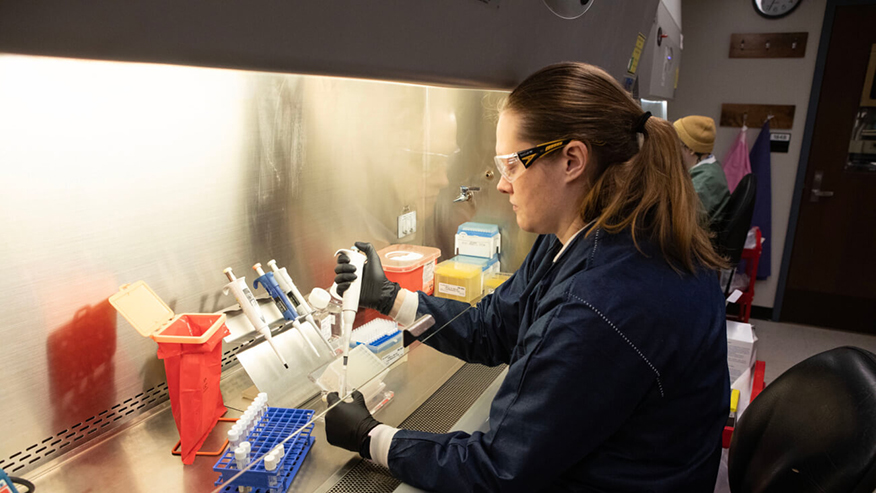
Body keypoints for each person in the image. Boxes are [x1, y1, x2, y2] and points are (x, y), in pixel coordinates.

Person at [325, 62, 730, 492]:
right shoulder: (587, 233)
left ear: (572, 159)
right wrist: (391, 298)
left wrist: (371, 437)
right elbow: (494, 329)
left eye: (511, 165)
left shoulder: (603, 301)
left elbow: (495, 470)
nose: (501, 185)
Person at [673, 115, 731, 228]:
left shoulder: (705, 182)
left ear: (690, 149)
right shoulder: (710, 169)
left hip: (695, 242)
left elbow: (681, 225)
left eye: (675, 145)